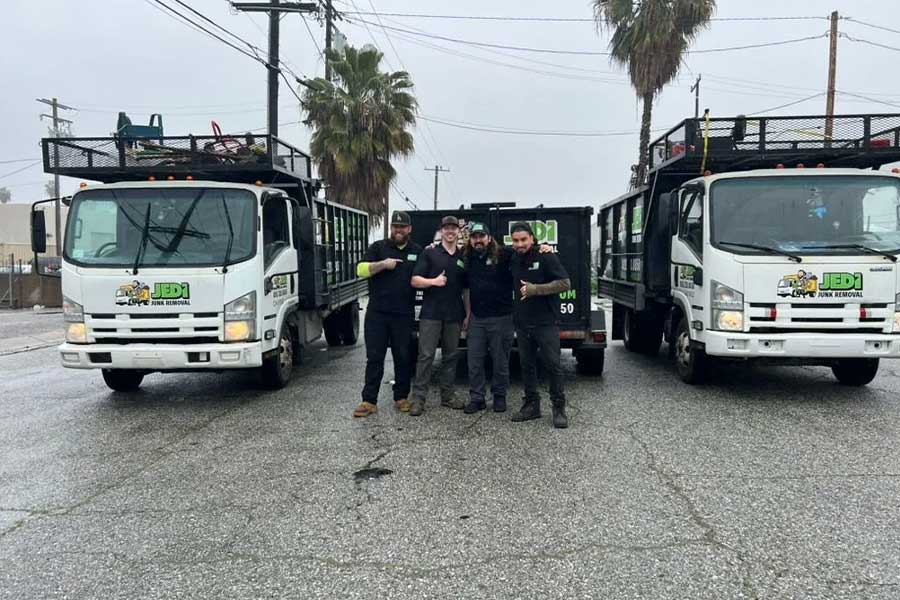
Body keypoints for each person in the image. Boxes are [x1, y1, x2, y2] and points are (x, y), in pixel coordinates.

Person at [460, 223, 554, 414]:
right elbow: (466, 289)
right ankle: (477, 398)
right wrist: (468, 315)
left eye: (481, 236)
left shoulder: (504, 254)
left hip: (502, 317)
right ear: (470, 240)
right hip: (477, 318)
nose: (478, 240)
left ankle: (499, 396)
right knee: (474, 361)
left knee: (500, 361)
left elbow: (525, 251)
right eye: (474, 237)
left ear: (489, 238)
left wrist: (542, 247)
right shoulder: (467, 257)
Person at [352, 211, 423, 418]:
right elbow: (360, 269)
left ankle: (401, 397)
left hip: (403, 314)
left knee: (403, 357)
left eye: (402, 227)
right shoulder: (378, 248)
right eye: (395, 226)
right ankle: (369, 400)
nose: (398, 230)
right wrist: (383, 264)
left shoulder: (417, 251)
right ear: (391, 228)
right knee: (374, 357)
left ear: (409, 229)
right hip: (377, 314)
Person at [508, 221, 571, 429]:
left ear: (532, 238)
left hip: (545, 323)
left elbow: (565, 283)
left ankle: (559, 408)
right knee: (527, 366)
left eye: (523, 239)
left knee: (553, 365)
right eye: (516, 240)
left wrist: (535, 289)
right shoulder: (513, 257)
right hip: (523, 323)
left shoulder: (546, 255)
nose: (520, 244)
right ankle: (531, 406)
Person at [408, 215, 467, 416]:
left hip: (454, 314)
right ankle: (418, 399)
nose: (450, 231)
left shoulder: (463, 256)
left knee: (451, 356)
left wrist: (467, 314)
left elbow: (466, 289)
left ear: (458, 231)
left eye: (453, 228)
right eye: (446, 228)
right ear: (441, 231)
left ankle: (447, 396)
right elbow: (415, 280)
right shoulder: (430, 253)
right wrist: (433, 281)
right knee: (426, 356)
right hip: (431, 314)